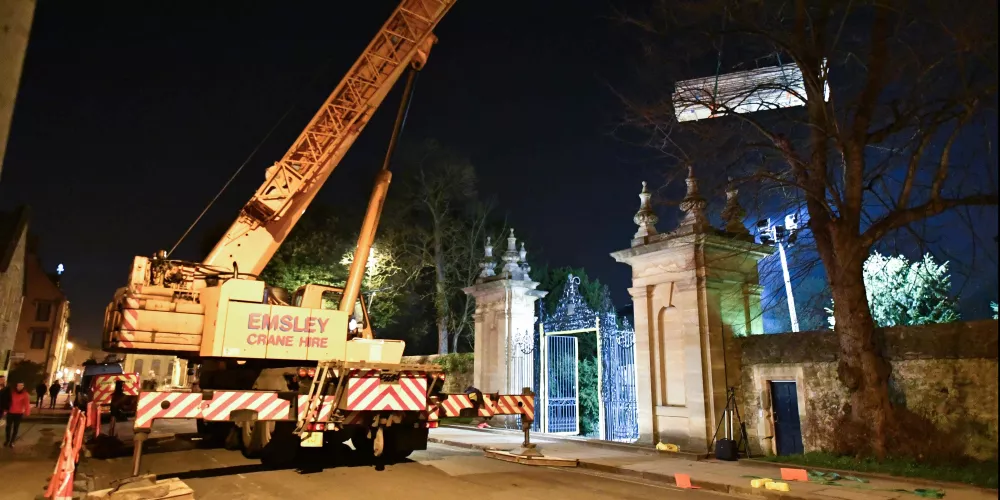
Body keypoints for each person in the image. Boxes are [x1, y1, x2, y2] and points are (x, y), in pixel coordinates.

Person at [2, 381, 32, 447]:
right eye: (19, 385)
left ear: (23, 386)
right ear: (16, 386)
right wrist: (5, 410)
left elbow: (27, 404)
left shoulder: (25, 394)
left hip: (18, 413)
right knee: (8, 427)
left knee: (16, 427)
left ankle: (12, 441)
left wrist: (27, 412)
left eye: (22, 385)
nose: (20, 387)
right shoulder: (12, 393)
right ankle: (7, 440)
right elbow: (7, 401)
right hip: (10, 412)